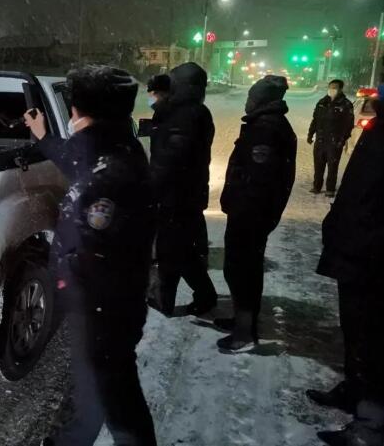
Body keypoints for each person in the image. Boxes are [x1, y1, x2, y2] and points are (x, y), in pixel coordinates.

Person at [25, 65, 157, 446]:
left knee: (112, 400)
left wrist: (65, 283)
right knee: (101, 394)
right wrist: (44, 136)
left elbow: (95, 254)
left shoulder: (108, 175)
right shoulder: (114, 149)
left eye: (73, 106)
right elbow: (75, 159)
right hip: (110, 306)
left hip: (103, 310)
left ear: (81, 111)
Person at [307, 83, 384, 446]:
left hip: (374, 254)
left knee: (375, 337)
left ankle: (372, 423)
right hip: (355, 248)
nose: (373, 99)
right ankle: (355, 389)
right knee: (355, 329)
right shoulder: (377, 130)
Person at [216, 75, 297, 352]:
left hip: (250, 214)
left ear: (262, 100)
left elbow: (258, 180)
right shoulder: (267, 125)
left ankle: (244, 333)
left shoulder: (266, 129)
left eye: (251, 97)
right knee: (242, 268)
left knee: (243, 270)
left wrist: (241, 208)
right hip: (251, 212)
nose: (247, 101)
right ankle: (243, 321)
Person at [146, 63, 218, 317]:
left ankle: (164, 300)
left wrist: (150, 190)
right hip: (186, 194)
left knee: (170, 251)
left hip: (175, 196)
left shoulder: (184, 116)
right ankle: (205, 296)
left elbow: (170, 160)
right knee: (183, 251)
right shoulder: (192, 112)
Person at [308, 79, 354, 197]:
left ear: (340, 89)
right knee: (318, 164)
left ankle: (330, 189)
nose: (331, 89)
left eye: (334, 87)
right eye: (330, 87)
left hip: (335, 141)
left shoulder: (346, 104)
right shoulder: (322, 102)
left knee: (332, 166)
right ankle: (317, 186)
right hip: (320, 139)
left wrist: (342, 139)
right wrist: (310, 134)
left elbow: (349, 124)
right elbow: (315, 120)